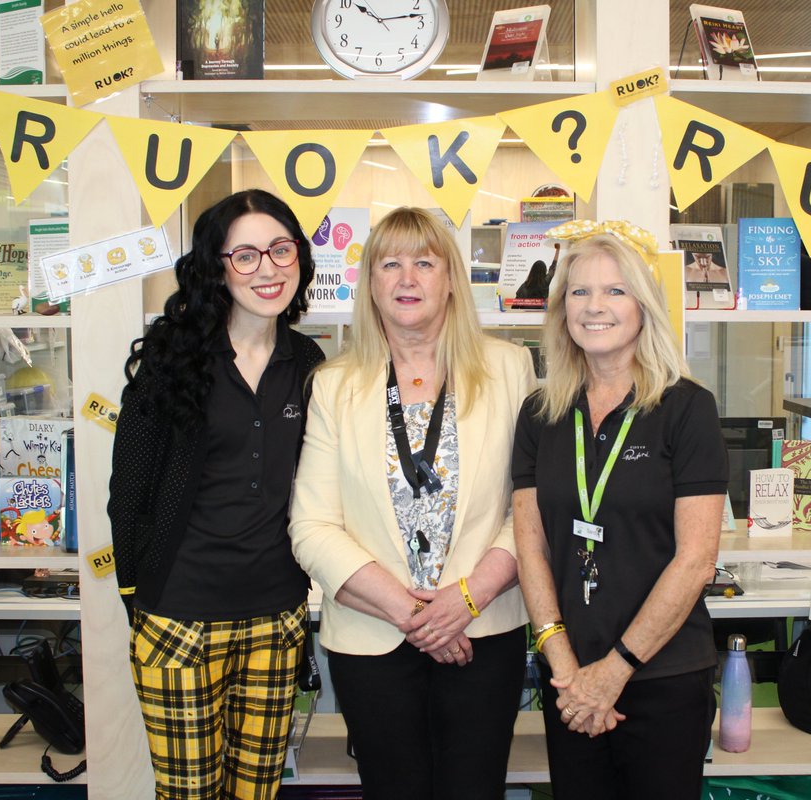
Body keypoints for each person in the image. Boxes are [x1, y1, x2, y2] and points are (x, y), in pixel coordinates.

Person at [289, 206, 536, 800]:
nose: (407, 279)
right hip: (373, 637)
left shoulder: (509, 368)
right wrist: (416, 614)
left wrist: (467, 598)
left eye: (425, 262)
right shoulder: (334, 384)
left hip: (483, 631)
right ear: (369, 283)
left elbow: (530, 508)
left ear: (451, 278)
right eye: (389, 264)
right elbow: (312, 526)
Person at [108, 189, 324, 800]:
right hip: (178, 617)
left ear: (301, 259)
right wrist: (135, 591)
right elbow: (129, 488)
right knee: (189, 794)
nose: (268, 269)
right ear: (216, 267)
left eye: (281, 250)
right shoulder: (171, 357)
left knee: (258, 793)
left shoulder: (309, 363)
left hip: (276, 618)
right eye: (246, 255)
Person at [511, 220, 729, 799]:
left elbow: (697, 560)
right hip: (570, 676)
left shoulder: (687, 409)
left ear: (643, 307)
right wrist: (566, 668)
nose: (594, 306)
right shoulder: (540, 413)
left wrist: (614, 672)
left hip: (663, 675)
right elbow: (530, 546)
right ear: (560, 310)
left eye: (614, 290)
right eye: (579, 292)